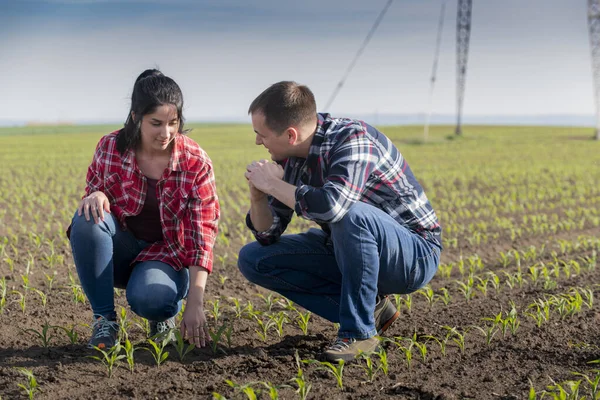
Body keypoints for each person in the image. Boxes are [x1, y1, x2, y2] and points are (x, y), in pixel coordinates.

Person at [238, 81, 442, 362]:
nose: (258, 142)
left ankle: (358, 334)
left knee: (352, 216)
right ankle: (372, 310)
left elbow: (334, 207)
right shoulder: (291, 157)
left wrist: (273, 185)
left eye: (261, 134)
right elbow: (268, 234)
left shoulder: (352, 139)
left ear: (290, 134)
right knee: (253, 259)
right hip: (349, 248)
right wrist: (259, 196)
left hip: (413, 255)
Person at [68, 69, 220, 350]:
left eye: (173, 123)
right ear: (136, 117)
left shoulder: (195, 162)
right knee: (87, 219)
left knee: (154, 300)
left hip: (166, 256)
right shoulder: (111, 147)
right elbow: (92, 195)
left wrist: (195, 305)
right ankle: (105, 321)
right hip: (120, 249)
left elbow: (203, 237)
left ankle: (164, 314)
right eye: (156, 123)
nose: (166, 133)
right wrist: (95, 194)